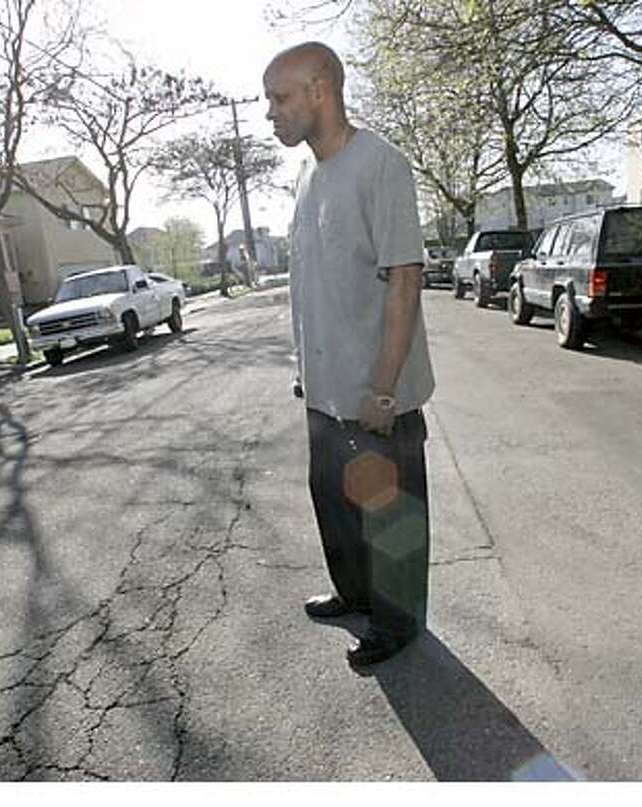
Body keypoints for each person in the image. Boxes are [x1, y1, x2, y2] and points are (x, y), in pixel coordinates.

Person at [263, 42, 435, 668]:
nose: (270, 113)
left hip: (374, 395)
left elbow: (405, 278)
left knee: (392, 522)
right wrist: (304, 372)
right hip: (325, 393)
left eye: (279, 98)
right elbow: (318, 284)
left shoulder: (380, 164)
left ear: (319, 91)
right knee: (335, 507)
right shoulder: (309, 174)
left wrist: (383, 388)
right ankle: (354, 594)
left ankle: (398, 625)